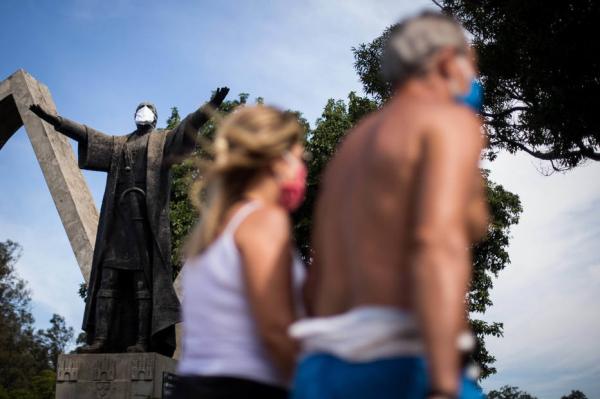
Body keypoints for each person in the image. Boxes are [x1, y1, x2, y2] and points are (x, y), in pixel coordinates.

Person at [290, 11, 489, 399]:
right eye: (471, 66)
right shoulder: (445, 120)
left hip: (320, 372)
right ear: (448, 61)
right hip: (403, 367)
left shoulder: (351, 147)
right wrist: (444, 385)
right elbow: (438, 243)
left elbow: (317, 275)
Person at [29, 88, 229, 356]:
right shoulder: (118, 144)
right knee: (107, 281)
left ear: (154, 118)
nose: (142, 112)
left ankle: (142, 342)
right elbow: (88, 134)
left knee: (142, 284)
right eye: (139, 108)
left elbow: (188, 126)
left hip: (144, 226)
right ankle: (101, 339)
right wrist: (55, 120)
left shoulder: (162, 142)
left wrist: (211, 105)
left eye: (148, 109)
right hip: (117, 224)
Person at [174, 105, 307, 398]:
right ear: (277, 161)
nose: (302, 172)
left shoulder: (213, 230)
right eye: (298, 159)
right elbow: (274, 330)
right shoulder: (265, 220)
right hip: (245, 388)